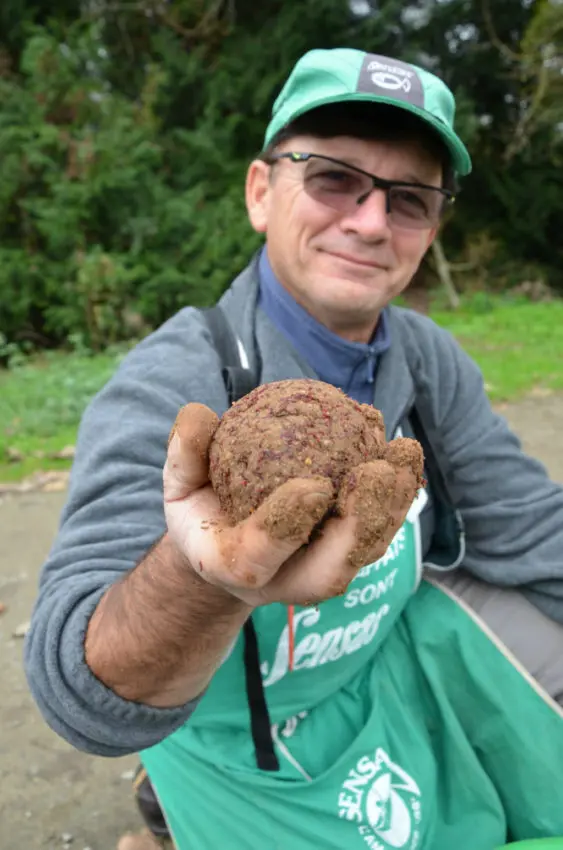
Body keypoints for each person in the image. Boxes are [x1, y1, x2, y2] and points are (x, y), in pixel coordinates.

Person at [24, 47, 563, 850]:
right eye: (332, 178)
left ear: (429, 228)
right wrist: (206, 582)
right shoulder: (181, 383)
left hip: (376, 674)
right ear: (258, 192)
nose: (370, 221)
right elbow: (80, 697)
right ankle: (167, 813)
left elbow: (526, 527)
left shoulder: (424, 358)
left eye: (407, 198)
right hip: (237, 736)